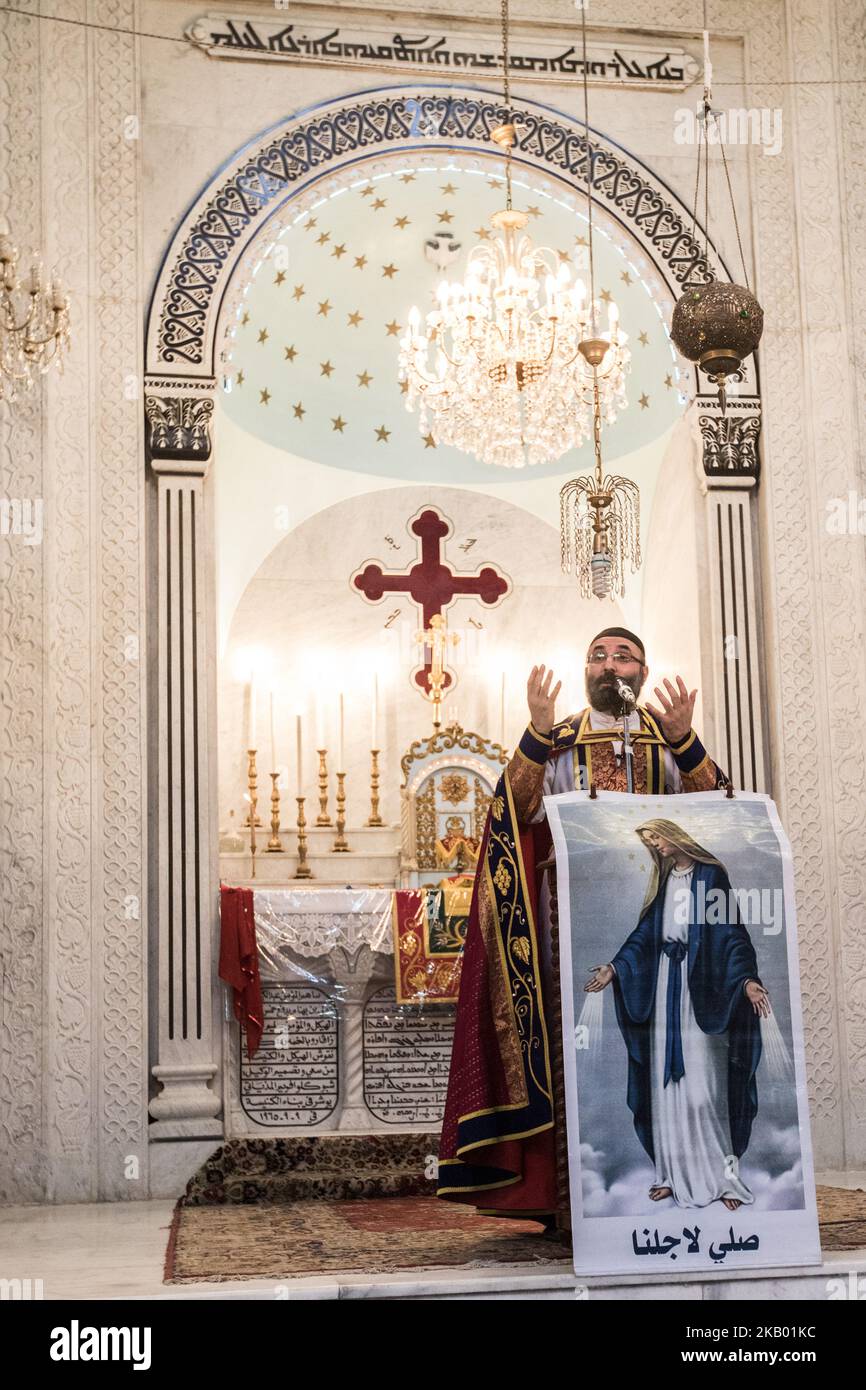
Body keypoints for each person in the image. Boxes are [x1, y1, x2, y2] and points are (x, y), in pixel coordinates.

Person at [437, 627, 728, 1225]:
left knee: (656, 1052)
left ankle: (669, 1188)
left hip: (658, 931)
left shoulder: (666, 740)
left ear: (643, 672)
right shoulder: (558, 739)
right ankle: (572, 1205)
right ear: (585, 670)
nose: (609, 664)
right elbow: (511, 812)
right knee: (578, 1049)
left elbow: (722, 810)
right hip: (567, 925)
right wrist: (536, 730)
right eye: (597, 655)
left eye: (624, 655)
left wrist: (685, 739)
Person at [585, 819, 770, 1211]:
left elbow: (731, 932)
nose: (655, 845)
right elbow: (644, 937)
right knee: (666, 1091)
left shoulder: (710, 875)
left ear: (674, 835)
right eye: (649, 841)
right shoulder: (665, 879)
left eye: (656, 838)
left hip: (699, 988)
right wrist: (615, 969)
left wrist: (746, 980)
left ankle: (722, 1180)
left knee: (704, 1089)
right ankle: (670, 1175)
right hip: (664, 987)